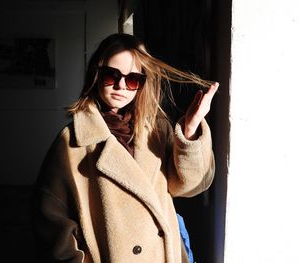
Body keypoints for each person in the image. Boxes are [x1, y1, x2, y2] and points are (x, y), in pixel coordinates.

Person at [32, 33, 218, 263]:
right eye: (112, 75)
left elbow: (188, 187)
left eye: (132, 79)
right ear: (96, 74)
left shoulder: (157, 131)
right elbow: (50, 218)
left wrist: (189, 131)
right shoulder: (73, 141)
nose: (121, 86)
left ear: (142, 83)